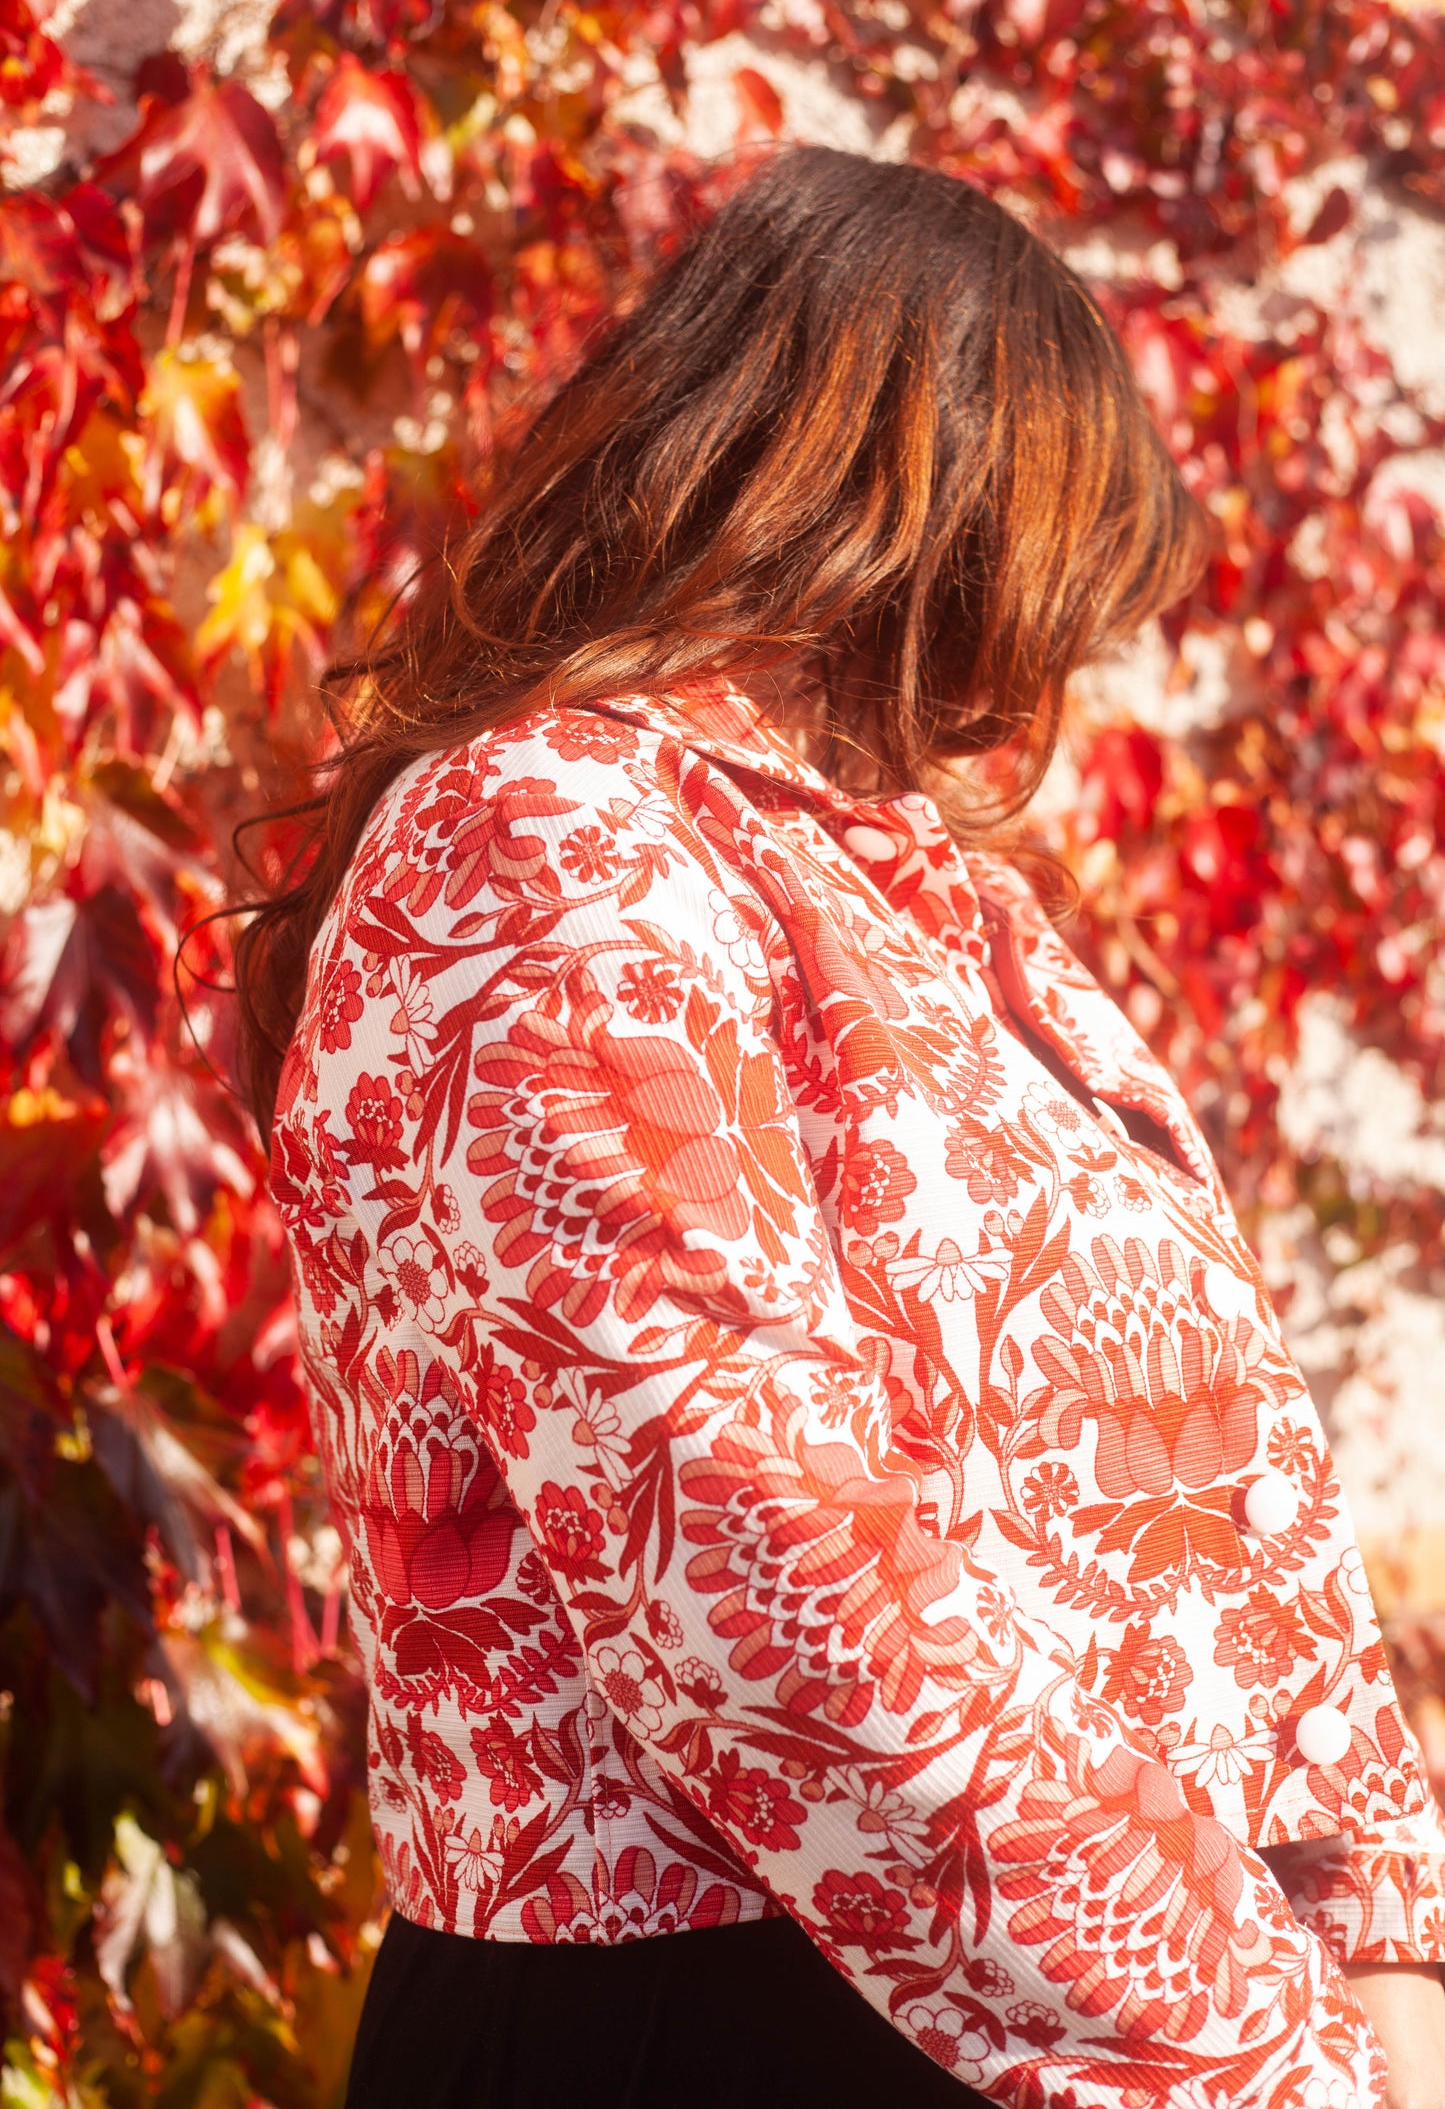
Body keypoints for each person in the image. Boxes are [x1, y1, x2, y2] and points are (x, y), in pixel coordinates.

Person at [235, 147, 1445, 2106]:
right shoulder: (548, 841)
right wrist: (1273, 2049)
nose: (1030, 680)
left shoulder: (962, 913)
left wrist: (1383, 1935)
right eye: (1030, 585)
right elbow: (752, 1562)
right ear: (903, 520)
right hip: (723, 2026)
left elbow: (1247, 1472)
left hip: (1116, 2023)